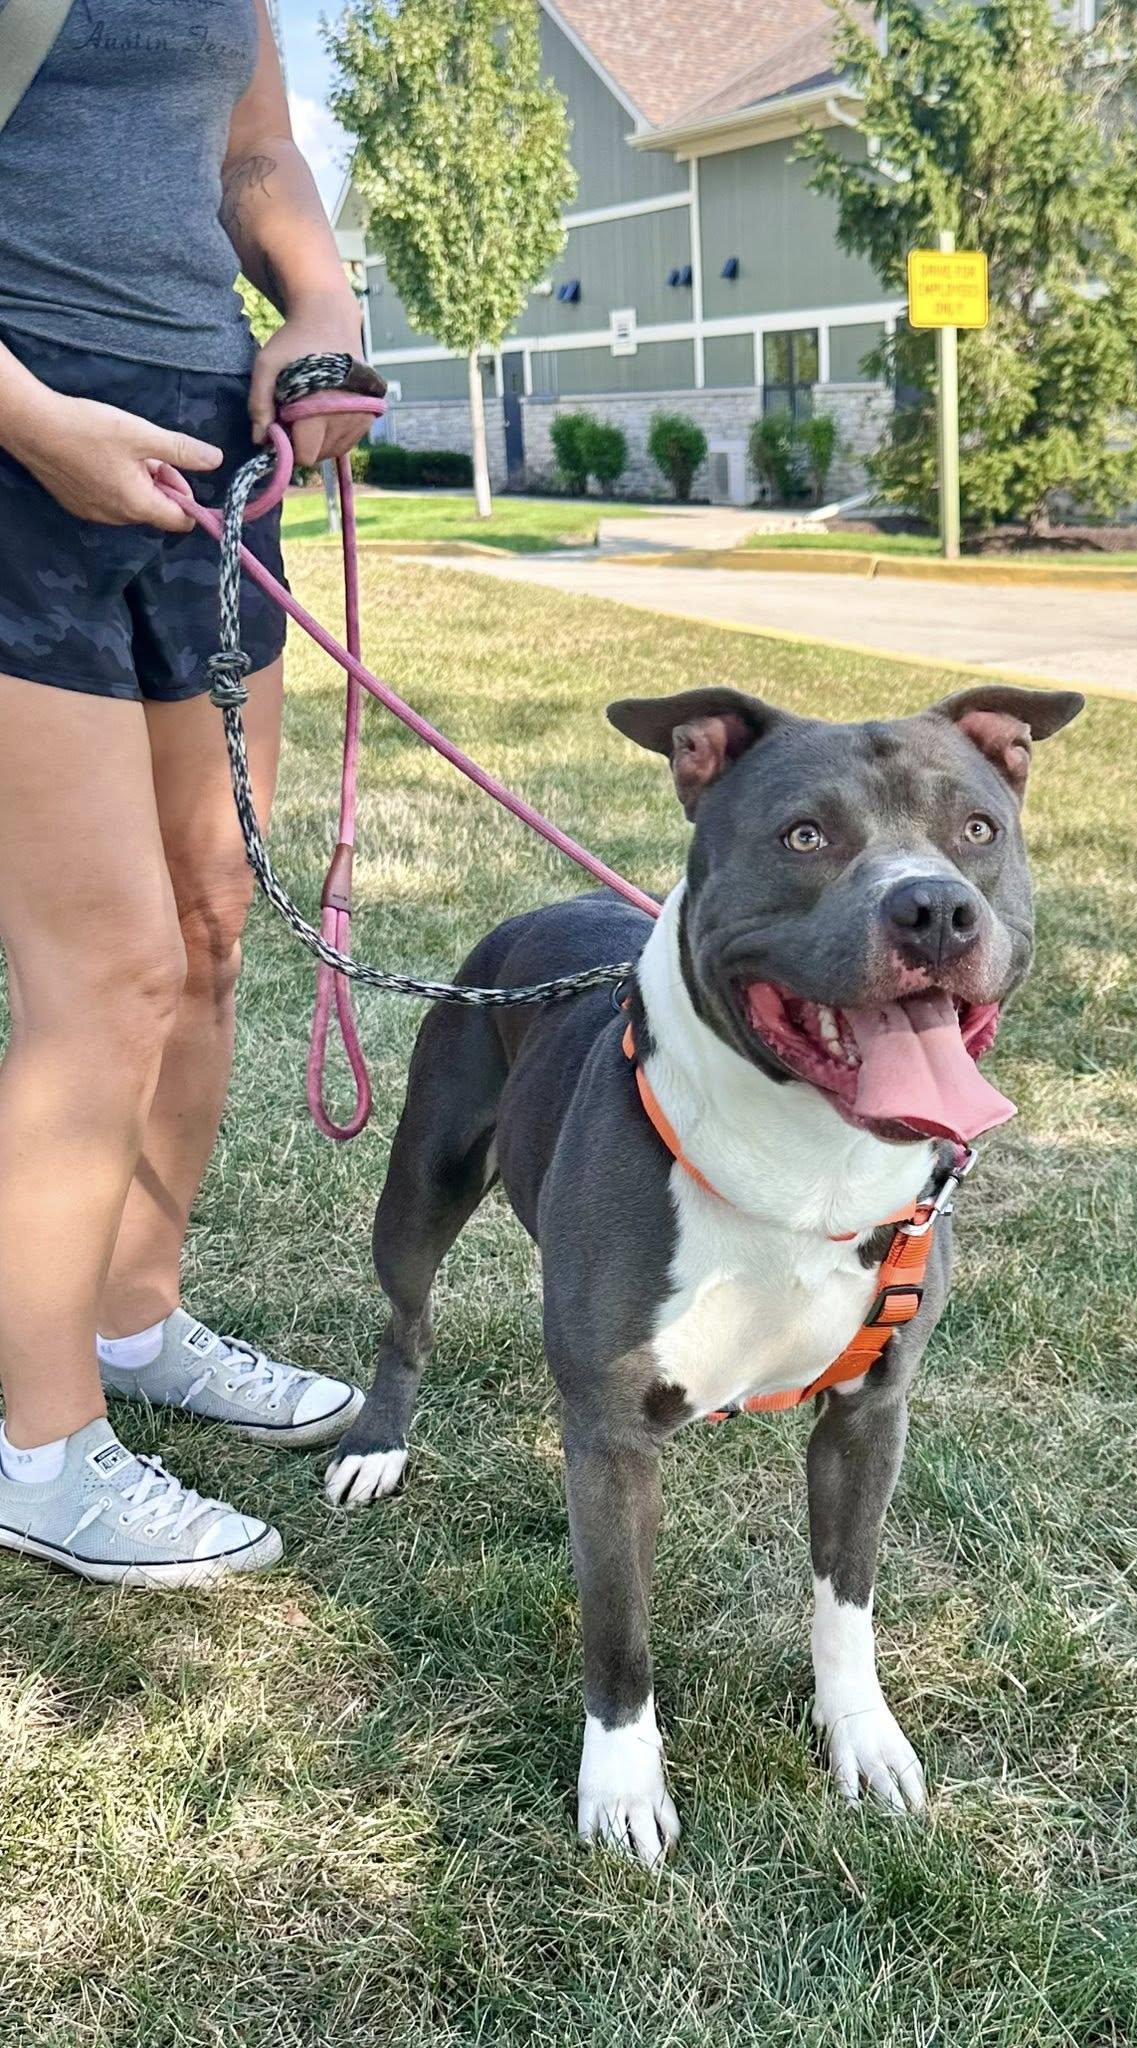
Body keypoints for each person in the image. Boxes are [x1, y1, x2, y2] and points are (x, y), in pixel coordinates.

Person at [0, 0, 372, 1586]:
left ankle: (135, 1319)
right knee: (110, 970)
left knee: (214, 923)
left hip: (206, 431)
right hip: (24, 433)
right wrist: (32, 423)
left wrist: (320, 309)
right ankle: (41, 1449)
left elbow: (254, 151)